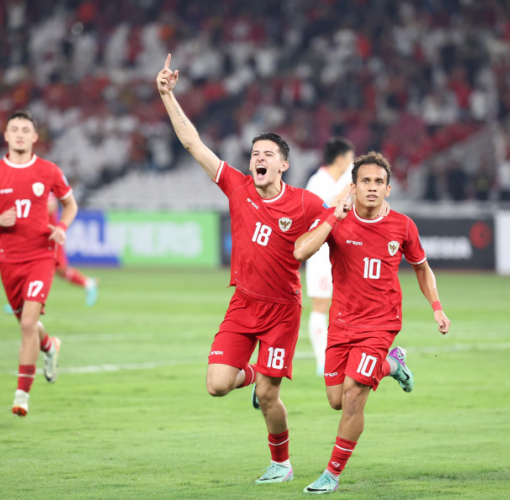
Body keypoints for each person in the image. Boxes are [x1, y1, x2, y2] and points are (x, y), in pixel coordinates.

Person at [157, 55, 336, 485]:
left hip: (281, 310)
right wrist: (167, 95)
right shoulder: (237, 186)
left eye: (267, 154)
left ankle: (282, 463)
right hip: (243, 302)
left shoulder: (305, 203)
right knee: (217, 384)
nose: (258, 158)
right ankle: (256, 372)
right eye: (255, 153)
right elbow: (193, 144)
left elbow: (336, 228)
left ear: (283, 165)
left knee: (267, 396)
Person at [293, 151, 451, 494]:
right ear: (353, 186)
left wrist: (436, 307)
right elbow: (300, 252)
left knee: (352, 399)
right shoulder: (337, 220)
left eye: (379, 182)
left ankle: (331, 474)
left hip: (381, 324)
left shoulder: (403, 226)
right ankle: (392, 364)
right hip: (341, 323)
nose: (372, 188)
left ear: (388, 189)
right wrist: (332, 219)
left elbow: (422, 268)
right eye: (365, 181)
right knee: (335, 399)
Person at [0, 110, 78, 417]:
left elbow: (70, 204)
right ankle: (50, 346)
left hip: (41, 256)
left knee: (28, 323)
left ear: (34, 137)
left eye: (25, 130)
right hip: (8, 260)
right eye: (14, 129)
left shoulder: (48, 171)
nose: (19, 134)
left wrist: (62, 228)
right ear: (6, 135)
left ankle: (22, 395)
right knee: (27, 325)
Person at [304, 137, 355, 376]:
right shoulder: (317, 180)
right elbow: (321, 208)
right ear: (340, 159)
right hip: (321, 250)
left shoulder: (349, 178)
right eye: (350, 157)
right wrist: (347, 191)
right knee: (321, 304)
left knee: (349, 303)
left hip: (347, 248)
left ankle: (347, 355)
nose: (353, 162)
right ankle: (322, 361)